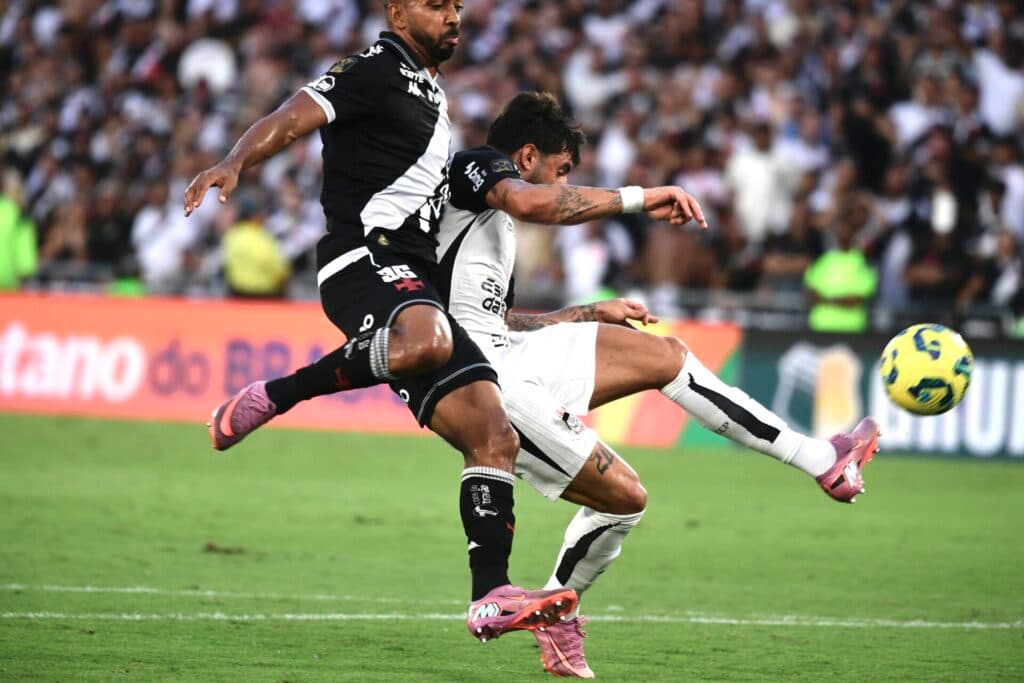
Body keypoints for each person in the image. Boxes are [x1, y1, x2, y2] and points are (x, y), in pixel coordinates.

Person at [417, 91, 880, 677]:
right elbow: (533, 204)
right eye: (560, 171)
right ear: (527, 155)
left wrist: (585, 312)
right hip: (476, 375)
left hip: (508, 348)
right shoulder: (471, 168)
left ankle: (822, 460)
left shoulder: (493, 224)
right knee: (626, 500)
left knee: (666, 355)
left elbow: (500, 317)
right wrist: (640, 197)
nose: (562, 184)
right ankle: (558, 620)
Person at [183, 0, 586, 643]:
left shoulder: (430, 89)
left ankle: (490, 596)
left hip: (411, 282)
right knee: (428, 337)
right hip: (360, 257)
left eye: (457, 5)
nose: (453, 16)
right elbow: (294, 115)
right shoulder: (375, 68)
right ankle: (278, 395)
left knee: (494, 434)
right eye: (436, 6)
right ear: (399, 13)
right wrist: (235, 160)